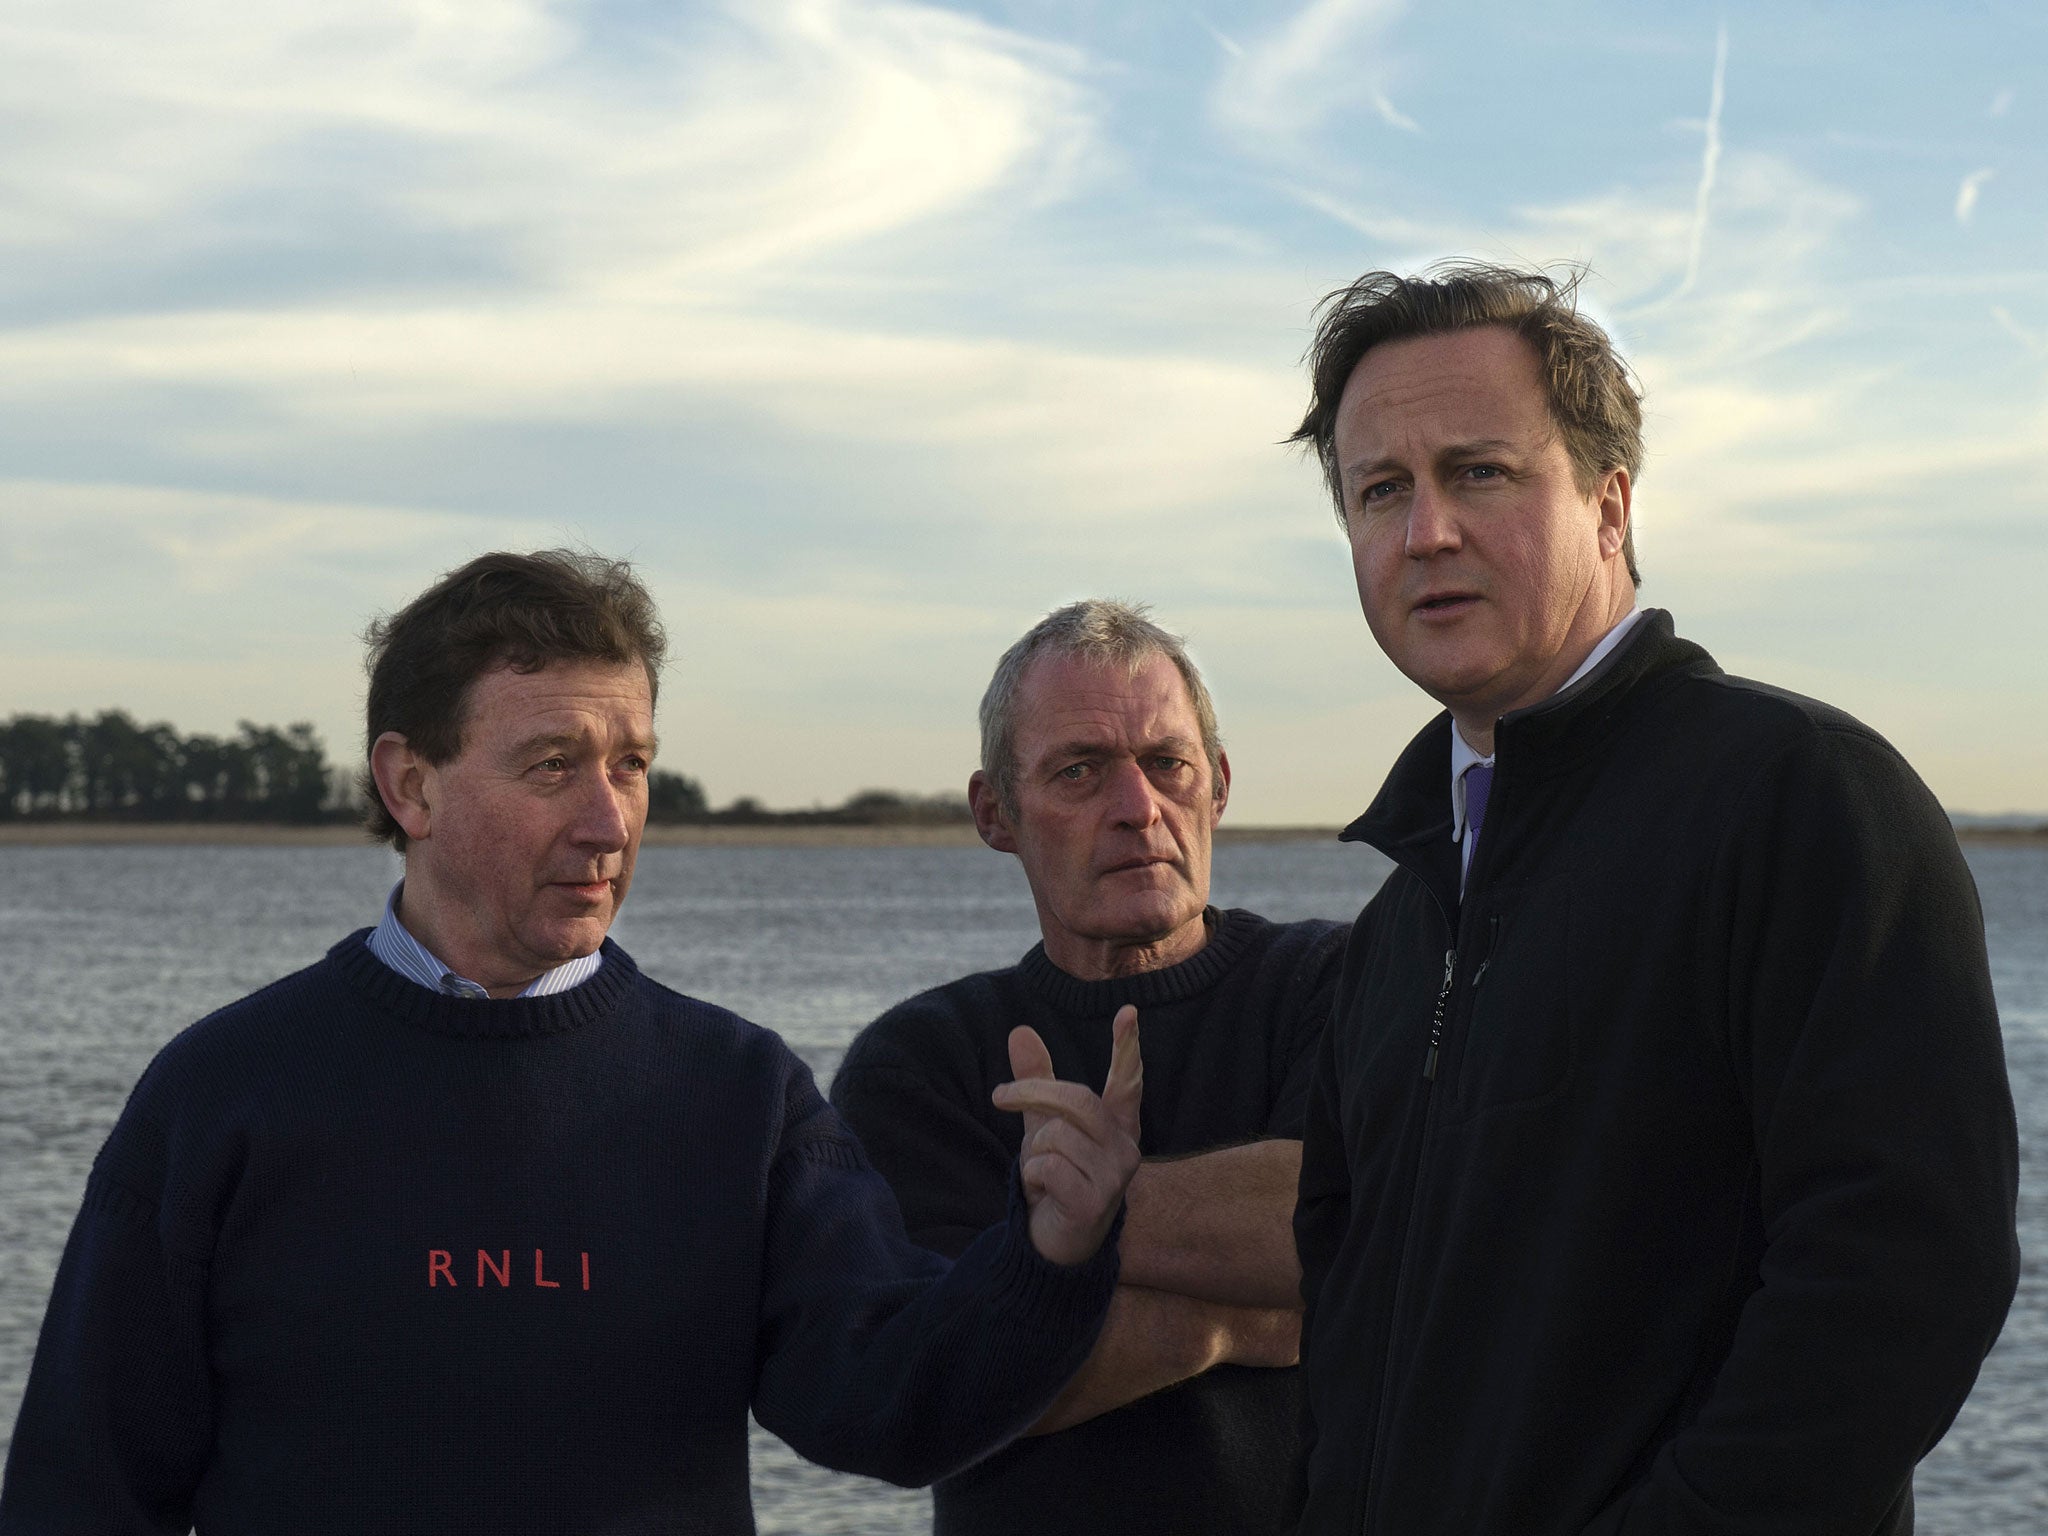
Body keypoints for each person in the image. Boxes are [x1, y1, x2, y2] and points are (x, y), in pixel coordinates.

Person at [0, 550, 1143, 1536]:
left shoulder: (738, 1095)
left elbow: (886, 1405)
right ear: (410, 783)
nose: (608, 821)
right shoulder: (222, 1095)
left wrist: (1045, 1253)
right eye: (553, 766)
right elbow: (82, 1492)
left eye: (630, 764)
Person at [1282, 263, 2021, 1535]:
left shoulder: (1798, 802)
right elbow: (1351, 1323)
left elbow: (1900, 1282)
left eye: (1479, 472)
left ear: (1610, 504)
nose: (1424, 533)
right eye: (1380, 491)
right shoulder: (1402, 916)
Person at [831, 600, 1347, 1536]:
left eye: (1167, 764)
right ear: (997, 813)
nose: (1137, 808)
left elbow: (1352, 1213)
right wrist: (1241, 1323)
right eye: (1079, 771)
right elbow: (927, 1396)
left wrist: (1043, 1247)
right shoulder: (922, 1065)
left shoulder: (1338, 983)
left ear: (1219, 783)